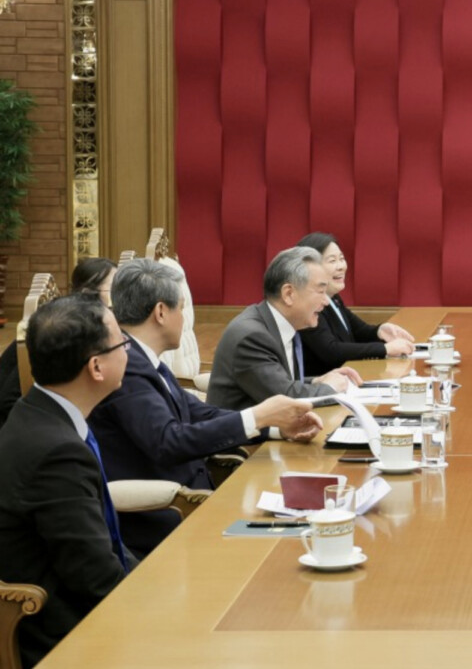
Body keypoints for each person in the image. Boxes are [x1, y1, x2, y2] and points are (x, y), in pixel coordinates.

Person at [88, 259, 324, 554]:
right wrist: (258, 415)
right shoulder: (128, 366)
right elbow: (168, 441)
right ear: (161, 312)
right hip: (169, 520)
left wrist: (274, 426)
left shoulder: (142, 357)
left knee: (306, 528)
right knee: (295, 545)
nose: (185, 319)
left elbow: (197, 411)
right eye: (182, 308)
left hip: (200, 500)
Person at [0, 294, 133, 667]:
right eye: (122, 342)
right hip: (61, 638)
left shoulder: (37, 413)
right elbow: (94, 579)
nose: (128, 351)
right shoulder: (56, 452)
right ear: (96, 367)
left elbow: (103, 550)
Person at [207, 247, 363, 411]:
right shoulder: (252, 336)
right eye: (321, 291)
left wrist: (316, 381)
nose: (326, 301)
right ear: (288, 294)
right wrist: (330, 389)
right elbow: (286, 399)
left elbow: (281, 383)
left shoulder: (284, 324)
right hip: (251, 436)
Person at [0, 257, 117, 430]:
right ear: (87, 293)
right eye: (114, 289)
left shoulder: (86, 326)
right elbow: (9, 401)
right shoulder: (63, 331)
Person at [296, 232, 414, 376]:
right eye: (332, 261)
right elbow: (331, 351)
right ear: (310, 268)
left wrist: (380, 331)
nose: (341, 266)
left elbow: (358, 331)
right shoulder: (308, 304)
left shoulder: (334, 298)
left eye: (341, 259)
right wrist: (385, 349)